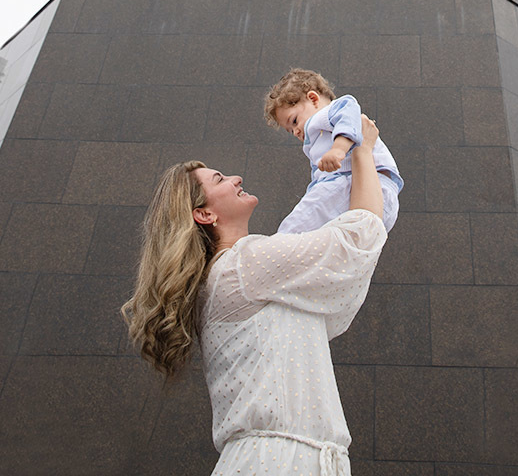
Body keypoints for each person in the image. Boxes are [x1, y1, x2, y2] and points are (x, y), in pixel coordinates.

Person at [122, 115, 386, 476]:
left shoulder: (233, 277)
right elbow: (359, 239)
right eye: (219, 179)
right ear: (204, 214)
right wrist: (363, 153)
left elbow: (332, 302)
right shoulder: (243, 266)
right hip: (278, 462)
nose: (236, 178)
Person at [264, 67, 402, 233]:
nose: (295, 131)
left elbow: (350, 122)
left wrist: (338, 149)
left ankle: (280, 245)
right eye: (290, 131)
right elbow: (319, 177)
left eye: (294, 121)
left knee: (299, 223)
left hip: (360, 184)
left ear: (313, 99)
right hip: (363, 197)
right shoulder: (314, 141)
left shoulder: (334, 110)